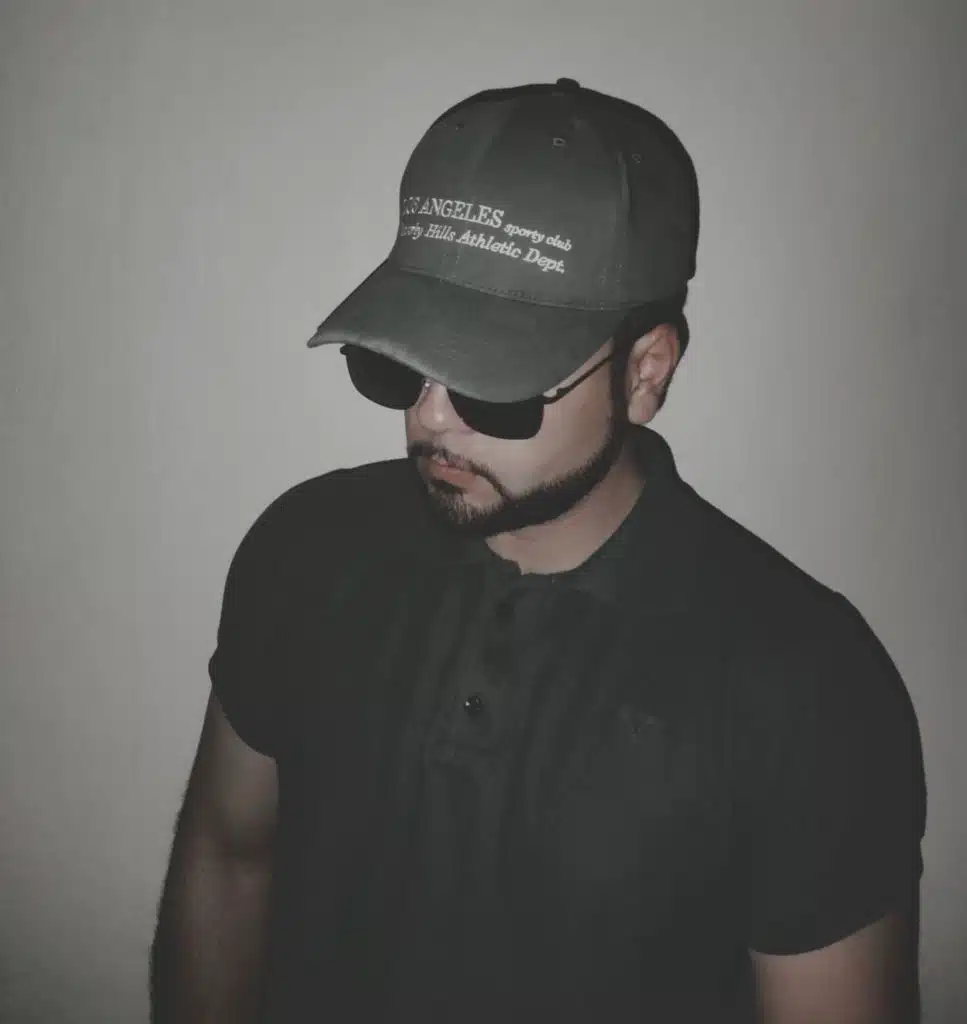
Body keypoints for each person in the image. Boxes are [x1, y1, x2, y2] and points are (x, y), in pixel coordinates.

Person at [150, 78, 926, 1022]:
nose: (430, 417)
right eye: (398, 360)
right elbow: (229, 859)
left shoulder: (807, 686)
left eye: (496, 382)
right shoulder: (303, 552)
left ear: (646, 372)